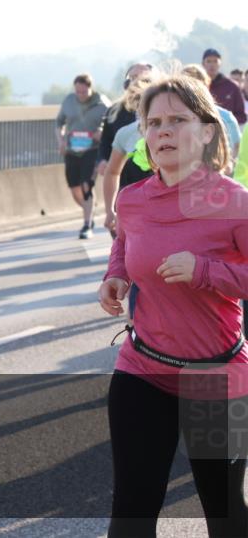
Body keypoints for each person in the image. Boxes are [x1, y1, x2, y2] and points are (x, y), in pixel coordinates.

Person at [98, 76, 248, 537]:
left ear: (206, 131)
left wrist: (205, 271)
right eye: (154, 122)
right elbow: (124, 243)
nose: (163, 131)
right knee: (131, 513)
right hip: (144, 368)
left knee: (226, 514)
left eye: (177, 120)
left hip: (216, 375)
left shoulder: (234, 202)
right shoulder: (133, 198)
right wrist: (115, 276)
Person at [55, 73, 110, 239]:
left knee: (86, 185)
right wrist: (61, 142)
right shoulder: (69, 101)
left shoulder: (102, 103)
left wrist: (101, 132)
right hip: (72, 150)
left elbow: (111, 125)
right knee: (75, 188)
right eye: (77, 92)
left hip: (92, 150)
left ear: (90, 89)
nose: (80, 96)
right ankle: (90, 212)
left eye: (84, 92)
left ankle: (87, 224)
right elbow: (59, 123)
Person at [97, 63, 153, 177]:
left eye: (143, 78)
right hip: (125, 179)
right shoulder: (114, 112)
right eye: (132, 78)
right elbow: (105, 142)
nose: (136, 82)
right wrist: (102, 160)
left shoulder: (163, 108)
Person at [203, 48, 246, 125]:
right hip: (203, 133)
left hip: (227, 134)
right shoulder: (198, 86)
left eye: (215, 61)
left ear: (220, 63)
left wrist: (225, 122)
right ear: (203, 64)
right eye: (209, 61)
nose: (212, 64)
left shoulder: (232, 86)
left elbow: (241, 116)